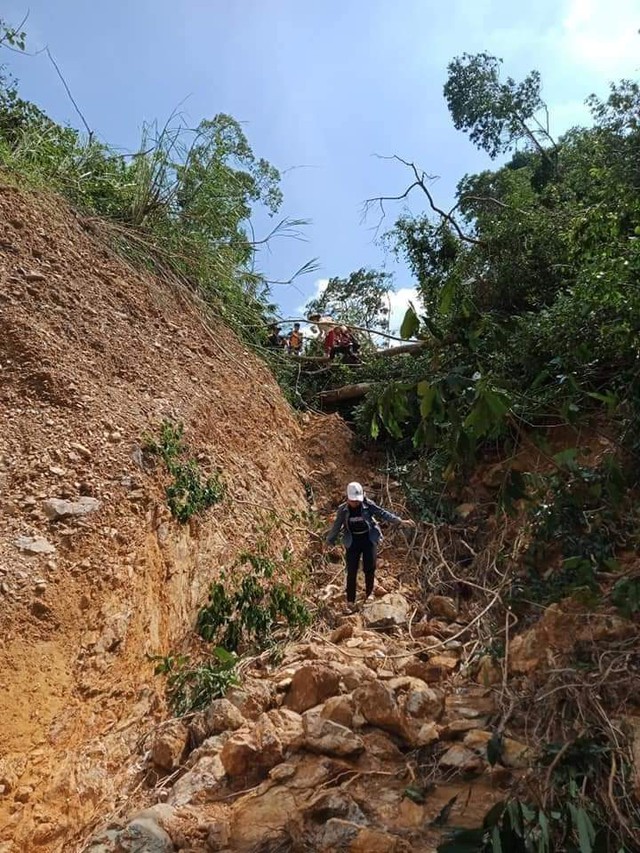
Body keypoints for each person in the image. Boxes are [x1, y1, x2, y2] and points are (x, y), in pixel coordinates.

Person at [325, 482, 415, 607]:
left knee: (370, 567)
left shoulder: (367, 504)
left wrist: (399, 521)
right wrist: (329, 541)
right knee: (351, 570)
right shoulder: (343, 510)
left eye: (357, 501)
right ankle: (350, 600)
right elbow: (336, 526)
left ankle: (369, 593)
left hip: (368, 538)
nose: (356, 503)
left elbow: (382, 513)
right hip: (353, 541)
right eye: (353, 501)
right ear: (348, 498)